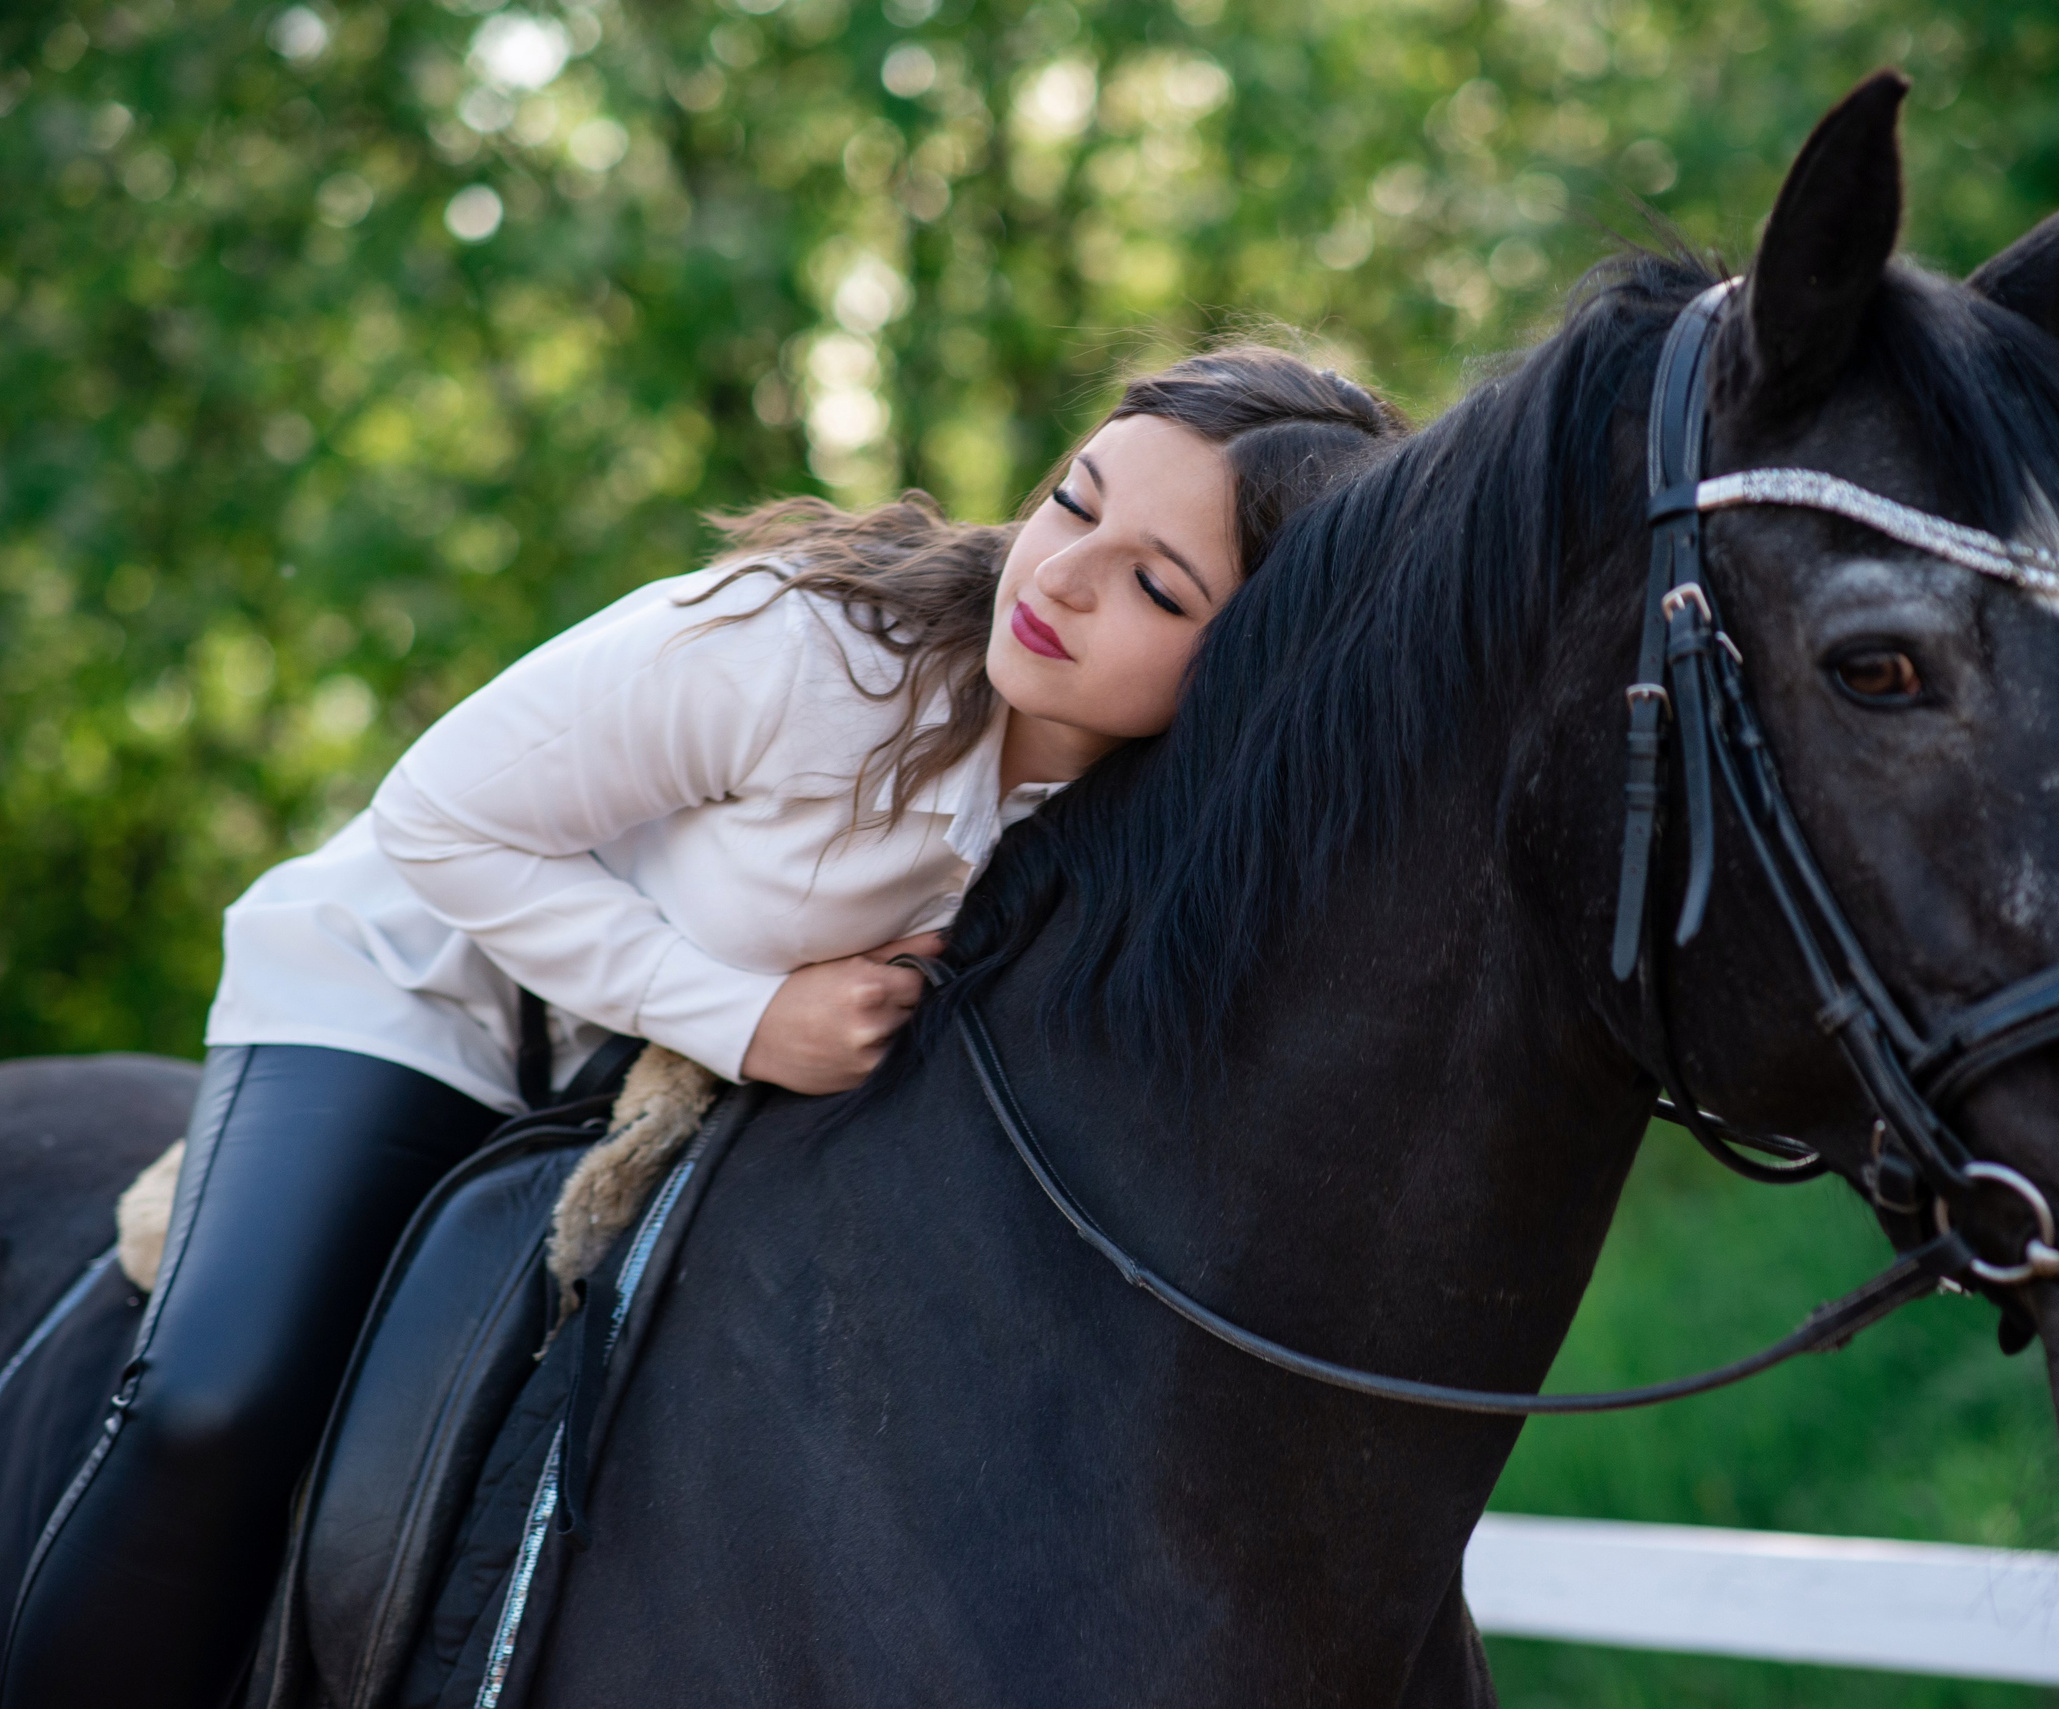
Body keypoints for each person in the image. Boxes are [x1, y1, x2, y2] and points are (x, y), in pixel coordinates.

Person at [0, 348, 1405, 1709]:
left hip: (662, 1095)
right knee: (216, 1403)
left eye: (1154, 585)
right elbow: (441, 818)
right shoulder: (807, 651)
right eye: (1073, 501)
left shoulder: (1152, 841)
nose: (1060, 576)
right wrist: (751, 1019)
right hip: (418, 994)